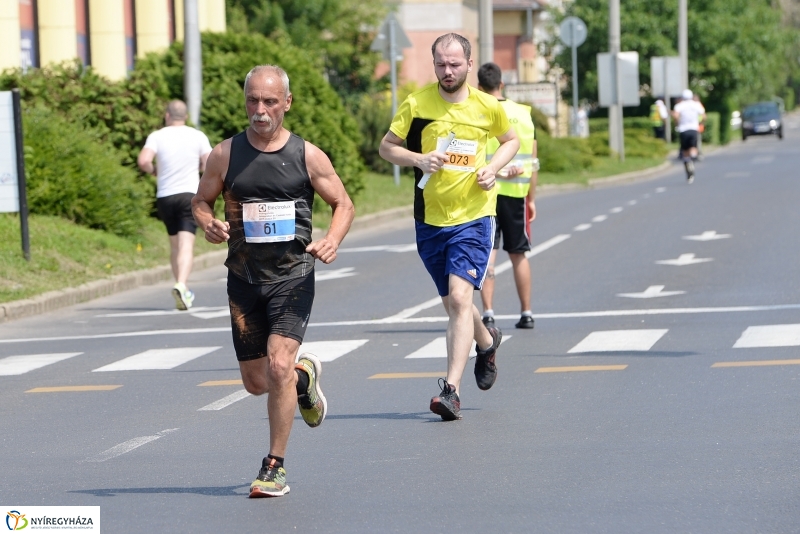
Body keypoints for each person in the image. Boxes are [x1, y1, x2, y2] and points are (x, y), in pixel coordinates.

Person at [191, 64, 354, 497]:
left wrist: (333, 239)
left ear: (286, 103)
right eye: (252, 100)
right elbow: (201, 201)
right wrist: (207, 222)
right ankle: (305, 379)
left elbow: (343, 203)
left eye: (268, 102)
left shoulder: (307, 155)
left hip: (293, 276)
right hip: (243, 278)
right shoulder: (225, 155)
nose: (259, 110)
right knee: (258, 382)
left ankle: (274, 467)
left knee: (278, 365)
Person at [378, 34, 519, 421]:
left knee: (460, 299)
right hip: (430, 219)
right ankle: (487, 342)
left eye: (455, 63)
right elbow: (386, 147)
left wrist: (491, 168)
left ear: (469, 64)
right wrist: (418, 159)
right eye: (441, 63)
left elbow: (511, 140)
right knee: (454, 302)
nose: (448, 70)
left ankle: (450, 391)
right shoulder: (418, 104)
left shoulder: (487, 106)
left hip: (474, 216)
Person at [475, 62, 538, 330]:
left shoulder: (477, 113)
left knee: (488, 253)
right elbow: (533, 161)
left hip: (484, 194)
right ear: (501, 84)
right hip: (516, 194)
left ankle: (487, 312)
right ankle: (526, 312)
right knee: (519, 254)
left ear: (479, 87)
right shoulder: (523, 114)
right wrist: (531, 198)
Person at [138, 100, 212, 310]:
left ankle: (180, 284)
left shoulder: (157, 136)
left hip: (165, 196)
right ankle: (182, 285)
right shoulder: (197, 135)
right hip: (189, 194)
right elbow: (209, 163)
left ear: (167, 116)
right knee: (186, 244)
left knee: (174, 245)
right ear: (185, 116)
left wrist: (154, 171)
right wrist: (198, 169)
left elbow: (144, 160)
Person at [672, 89, 706, 183]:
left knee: (685, 150)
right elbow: (703, 116)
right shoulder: (696, 104)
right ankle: (692, 161)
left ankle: (688, 164)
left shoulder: (679, 105)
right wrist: (700, 123)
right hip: (693, 129)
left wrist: (677, 123)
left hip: (683, 130)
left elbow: (675, 115)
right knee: (693, 148)